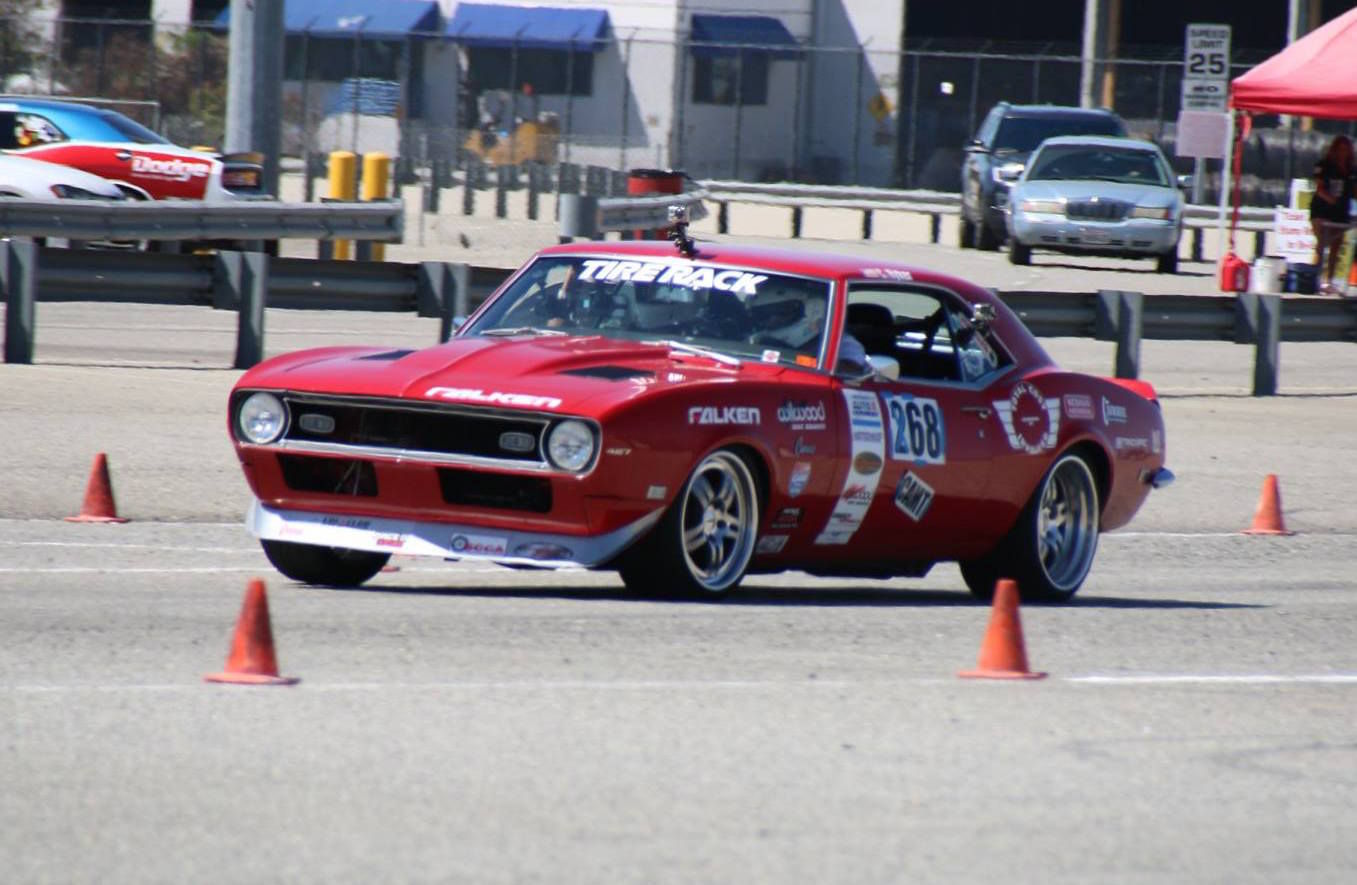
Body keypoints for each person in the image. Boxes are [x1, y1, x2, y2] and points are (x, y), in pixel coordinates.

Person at [1309, 135, 1354, 295]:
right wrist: (1331, 200)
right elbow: (1319, 188)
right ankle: (1314, 279)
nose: (1343, 153)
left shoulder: (1351, 169)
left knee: (1337, 245)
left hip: (1340, 213)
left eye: (1346, 149)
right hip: (1321, 210)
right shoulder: (1324, 165)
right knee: (1321, 244)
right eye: (1340, 149)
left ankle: (1330, 280)